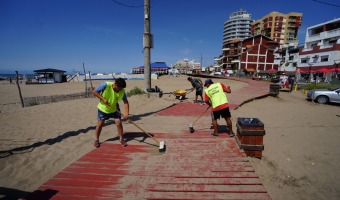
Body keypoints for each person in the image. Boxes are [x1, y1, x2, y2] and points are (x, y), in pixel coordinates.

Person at [92, 78, 130, 148]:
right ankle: (96, 140)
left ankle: (121, 139)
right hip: (103, 108)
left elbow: (125, 102)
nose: (121, 90)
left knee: (118, 122)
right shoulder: (105, 85)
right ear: (115, 85)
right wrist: (103, 99)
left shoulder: (122, 90)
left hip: (114, 107)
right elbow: (94, 91)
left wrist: (126, 113)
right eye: (120, 88)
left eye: (122, 88)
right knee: (100, 123)